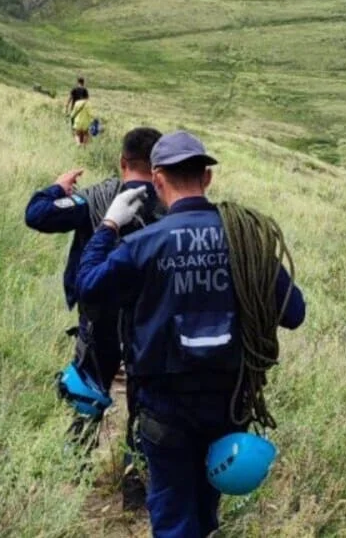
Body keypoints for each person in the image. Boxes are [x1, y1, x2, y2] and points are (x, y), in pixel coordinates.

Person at [77, 131, 306, 538]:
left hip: (164, 407)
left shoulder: (144, 244)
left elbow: (89, 286)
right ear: (207, 178)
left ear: (158, 181)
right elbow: (294, 312)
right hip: (229, 404)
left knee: (172, 510)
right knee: (205, 503)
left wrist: (110, 223)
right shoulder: (247, 239)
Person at [24, 127, 166, 508]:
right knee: (145, 406)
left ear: (122, 162)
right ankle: (135, 489)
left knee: (86, 393)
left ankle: (72, 474)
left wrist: (57, 188)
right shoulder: (170, 206)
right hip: (146, 326)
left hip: (98, 318)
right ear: (158, 168)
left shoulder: (96, 197)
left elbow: (37, 216)